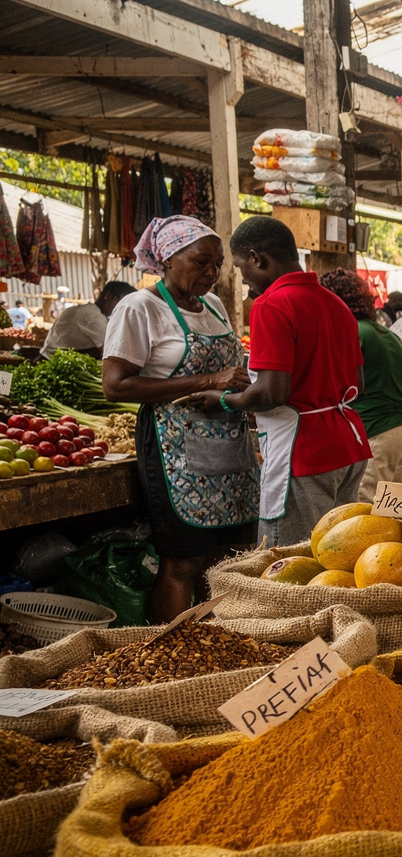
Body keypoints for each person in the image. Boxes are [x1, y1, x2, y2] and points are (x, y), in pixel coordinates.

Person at [101, 216, 255, 621]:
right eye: (201, 262)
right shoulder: (140, 307)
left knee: (225, 559)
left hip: (229, 447)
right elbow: (115, 386)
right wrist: (209, 380)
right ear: (168, 259)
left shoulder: (215, 306)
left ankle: (217, 637)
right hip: (176, 449)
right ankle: (175, 643)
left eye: (217, 264)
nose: (211, 272)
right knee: (184, 559)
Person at [185, 217, 371, 546]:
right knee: (338, 554)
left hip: (303, 453)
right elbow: (358, 384)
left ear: (257, 258)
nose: (244, 279)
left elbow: (272, 392)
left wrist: (224, 399)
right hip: (348, 448)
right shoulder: (336, 304)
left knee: (287, 558)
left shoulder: (272, 304)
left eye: (241, 268)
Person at [317, 269, 402, 503]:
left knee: (366, 510)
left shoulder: (351, 331)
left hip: (377, 432)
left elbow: (340, 385)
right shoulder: (385, 333)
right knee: (394, 510)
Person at [46, 281, 133, 355]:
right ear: (108, 296)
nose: (124, 307)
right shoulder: (92, 315)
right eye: (123, 302)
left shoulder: (93, 313)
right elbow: (109, 352)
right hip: (55, 360)